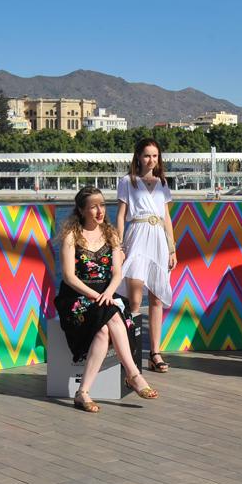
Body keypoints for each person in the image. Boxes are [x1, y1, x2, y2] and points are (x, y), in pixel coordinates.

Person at [55, 187, 159, 412]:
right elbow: (69, 277)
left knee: (104, 328)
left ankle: (83, 392)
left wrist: (109, 293)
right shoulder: (71, 236)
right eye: (93, 206)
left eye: (102, 205)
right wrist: (96, 296)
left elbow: (117, 274)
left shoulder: (111, 234)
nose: (99, 210)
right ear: (82, 210)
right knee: (110, 314)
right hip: (77, 296)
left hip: (106, 294)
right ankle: (133, 374)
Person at [116, 138, 177, 374]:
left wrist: (172, 248)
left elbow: (167, 218)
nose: (151, 160)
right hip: (137, 236)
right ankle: (130, 352)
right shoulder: (127, 181)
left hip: (159, 240)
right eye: (147, 155)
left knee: (156, 298)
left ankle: (154, 353)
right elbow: (121, 215)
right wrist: (120, 246)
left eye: (155, 156)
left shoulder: (162, 183)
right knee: (134, 299)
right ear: (138, 157)